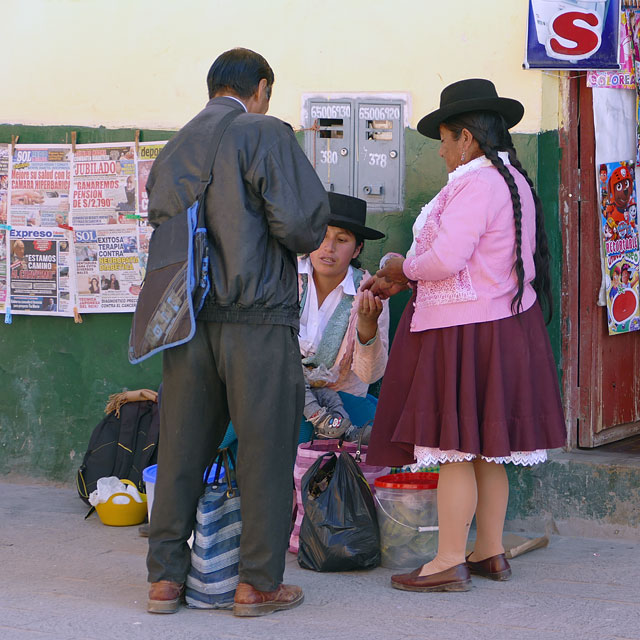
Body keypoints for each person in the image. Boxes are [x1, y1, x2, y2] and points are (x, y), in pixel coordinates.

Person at [143, 48, 329, 616]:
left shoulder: (175, 146)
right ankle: (257, 584)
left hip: (187, 322)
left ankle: (165, 581)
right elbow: (301, 227)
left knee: (179, 449)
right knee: (266, 451)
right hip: (256, 318)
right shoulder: (263, 131)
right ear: (262, 87)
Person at [363, 79, 566, 593]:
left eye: (447, 139)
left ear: (469, 139)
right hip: (499, 327)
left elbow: (445, 259)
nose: (443, 149)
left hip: (463, 330)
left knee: (452, 447)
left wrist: (400, 266)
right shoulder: (511, 179)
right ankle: (489, 551)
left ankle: (449, 559)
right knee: (484, 450)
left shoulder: (477, 183)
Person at [298, 192, 389, 441]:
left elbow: (370, 375)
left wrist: (367, 326)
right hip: (281, 391)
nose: (329, 248)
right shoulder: (284, 278)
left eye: (341, 239)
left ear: (357, 248)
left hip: (342, 399)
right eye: (322, 236)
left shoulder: (370, 292)